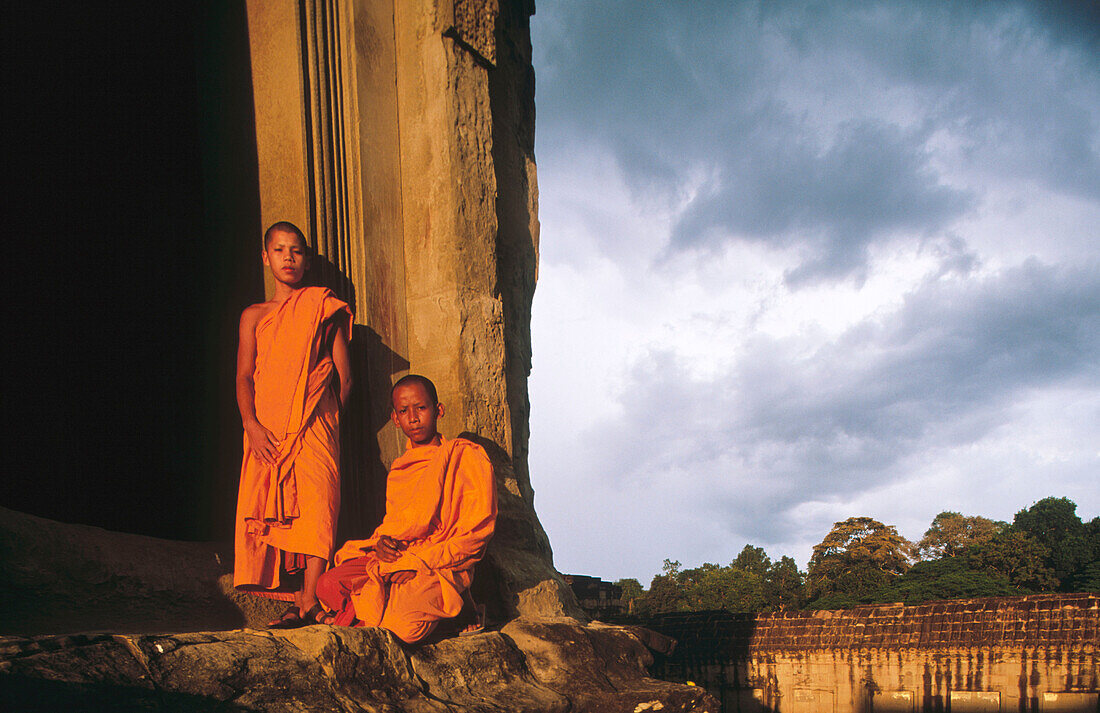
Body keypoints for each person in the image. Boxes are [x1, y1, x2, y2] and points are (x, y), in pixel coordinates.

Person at [233, 221, 352, 627]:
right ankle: (295, 599)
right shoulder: (254, 315)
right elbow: (244, 376)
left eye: (296, 251)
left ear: (306, 260)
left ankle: (308, 601)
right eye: (280, 250)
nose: (288, 258)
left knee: (319, 504)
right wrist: (251, 424)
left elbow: (344, 376)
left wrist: (324, 415)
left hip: (316, 422)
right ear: (265, 257)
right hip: (266, 427)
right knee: (276, 508)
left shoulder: (322, 306)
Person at [315, 375, 496, 643]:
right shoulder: (400, 470)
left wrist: (416, 564)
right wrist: (381, 545)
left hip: (439, 563)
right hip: (398, 559)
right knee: (327, 585)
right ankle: (418, 609)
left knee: (401, 629)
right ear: (395, 418)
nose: (413, 417)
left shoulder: (464, 457)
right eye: (404, 411)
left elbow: (475, 537)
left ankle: (460, 609)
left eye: (421, 408)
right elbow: (398, 526)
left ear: (438, 410)